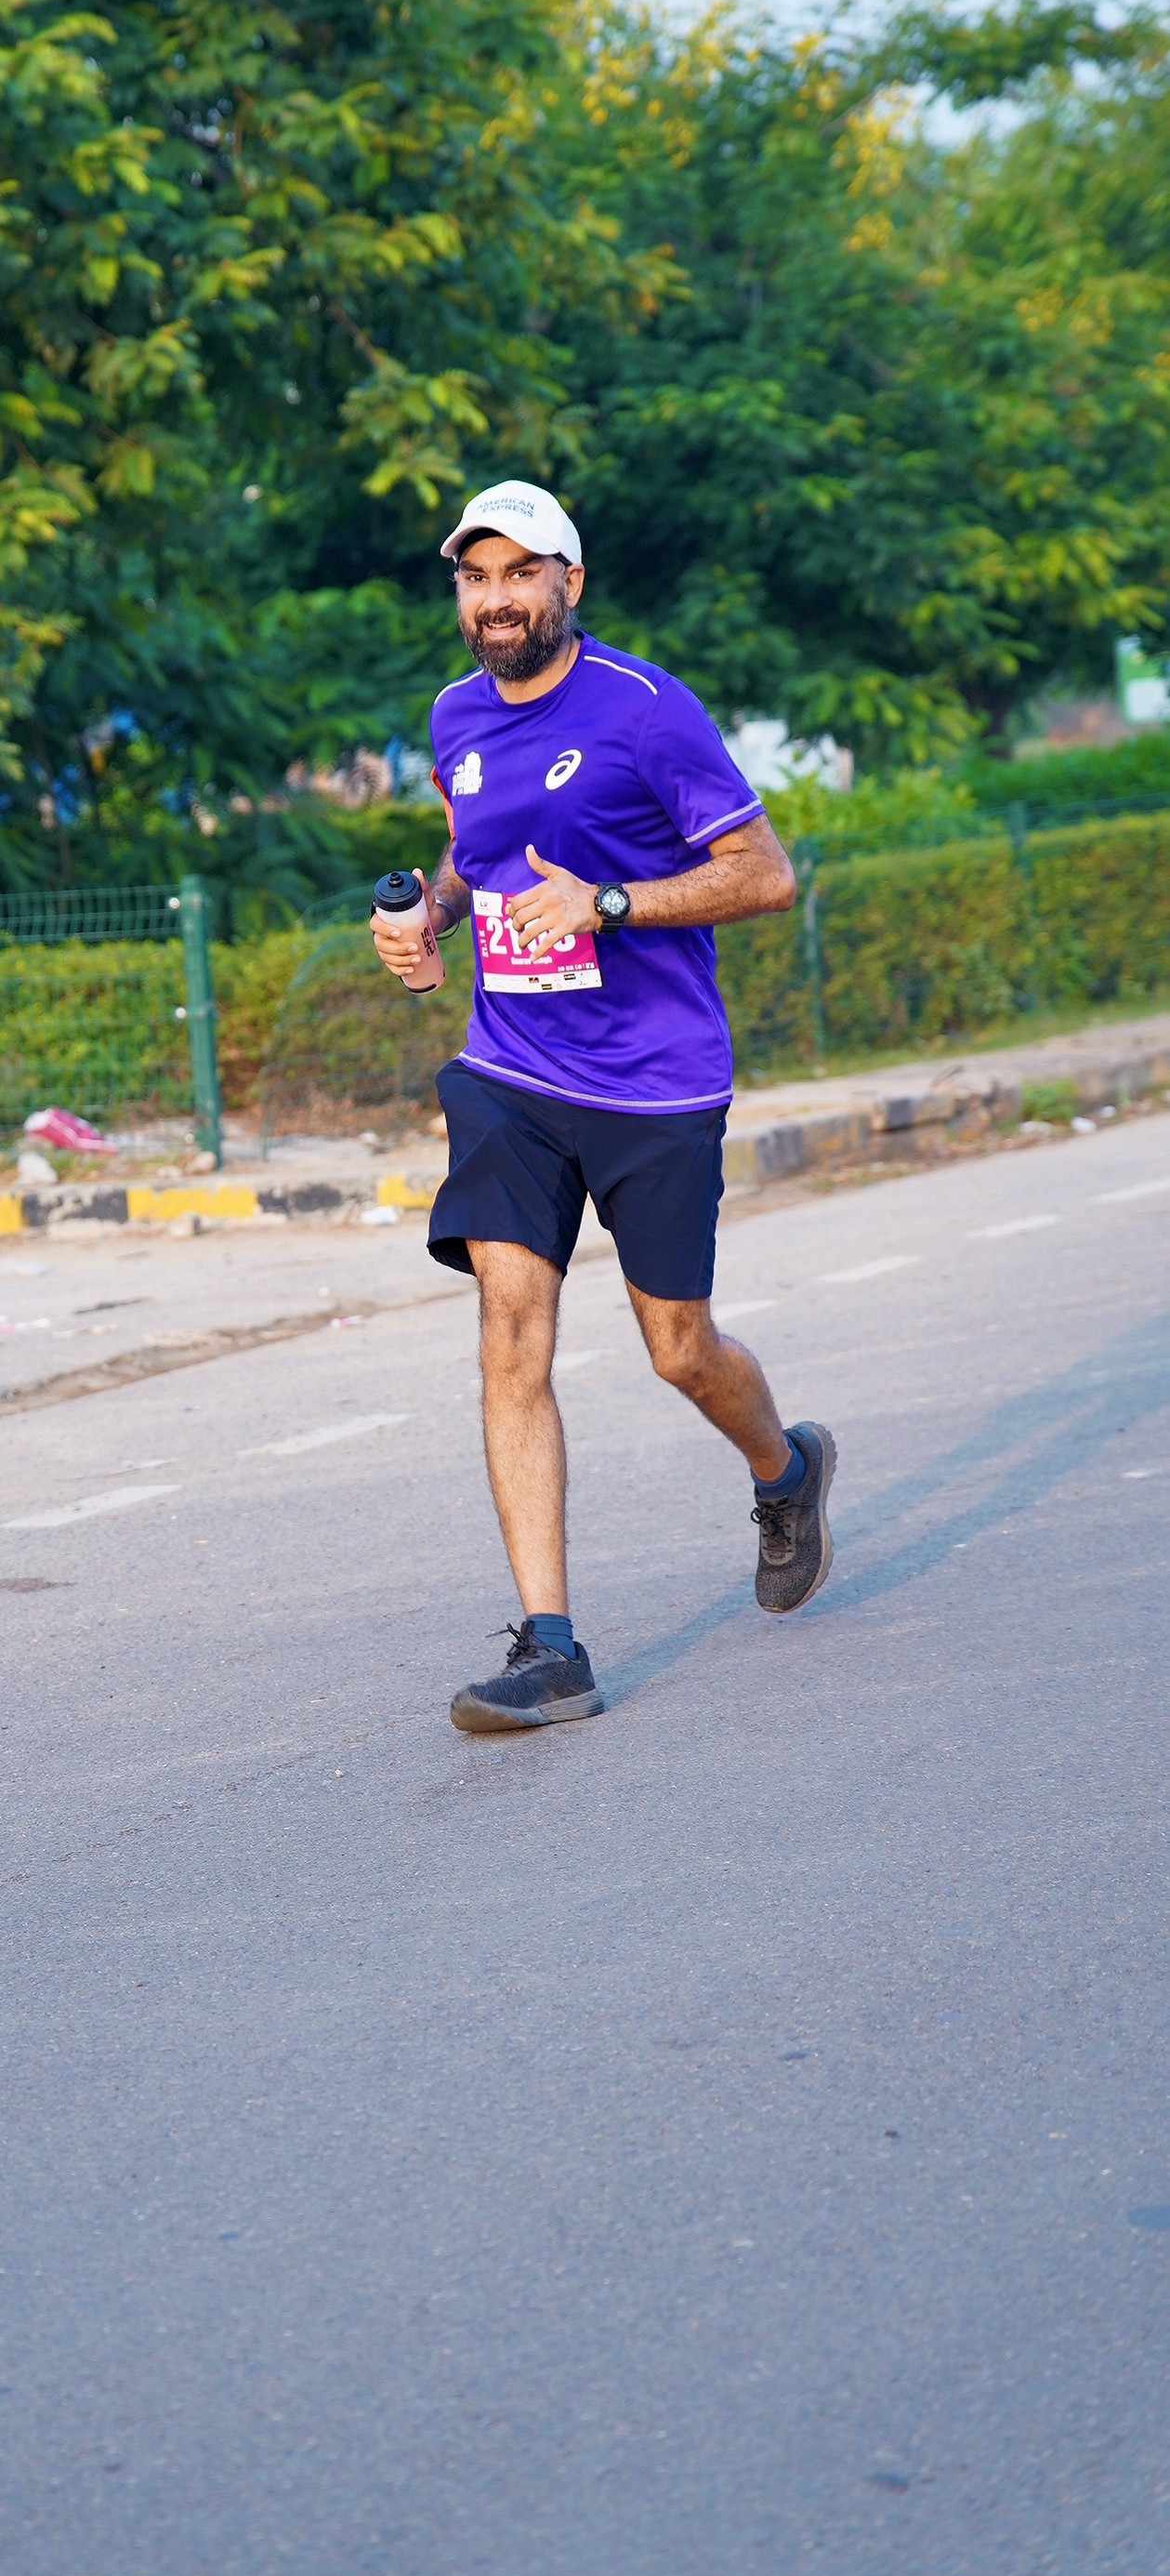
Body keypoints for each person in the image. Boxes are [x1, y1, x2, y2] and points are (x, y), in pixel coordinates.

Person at [370, 479, 835, 1734]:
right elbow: (475, 847)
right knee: (509, 1333)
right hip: (511, 1073)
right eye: (476, 577)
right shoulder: (455, 713)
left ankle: (786, 1469)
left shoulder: (646, 709)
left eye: (521, 574)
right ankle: (552, 1648)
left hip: (655, 1079)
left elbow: (766, 875)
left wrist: (610, 903)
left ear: (570, 584)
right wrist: (433, 917)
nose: (496, 599)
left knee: (678, 1349)